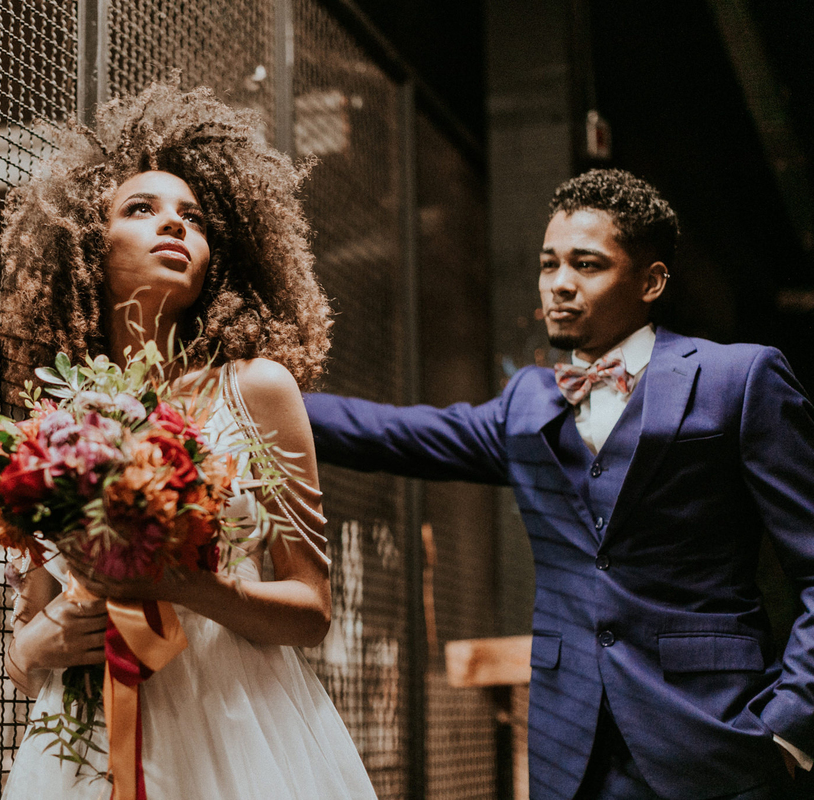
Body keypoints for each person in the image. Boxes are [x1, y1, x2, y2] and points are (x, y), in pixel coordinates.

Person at [304, 169, 814, 800]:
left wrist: (790, 728)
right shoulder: (528, 403)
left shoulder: (738, 379)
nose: (560, 285)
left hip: (716, 741)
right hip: (567, 754)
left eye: (588, 264)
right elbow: (390, 432)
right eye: (549, 265)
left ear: (651, 281)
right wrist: (243, 391)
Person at [0, 82, 377, 800]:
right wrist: (29, 647)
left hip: (238, 731)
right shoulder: (51, 421)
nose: (174, 226)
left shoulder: (256, 388)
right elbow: (32, 624)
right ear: (86, 243)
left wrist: (179, 584)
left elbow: (311, 609)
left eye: (193, 218)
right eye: (142, 210)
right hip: (84, 742)